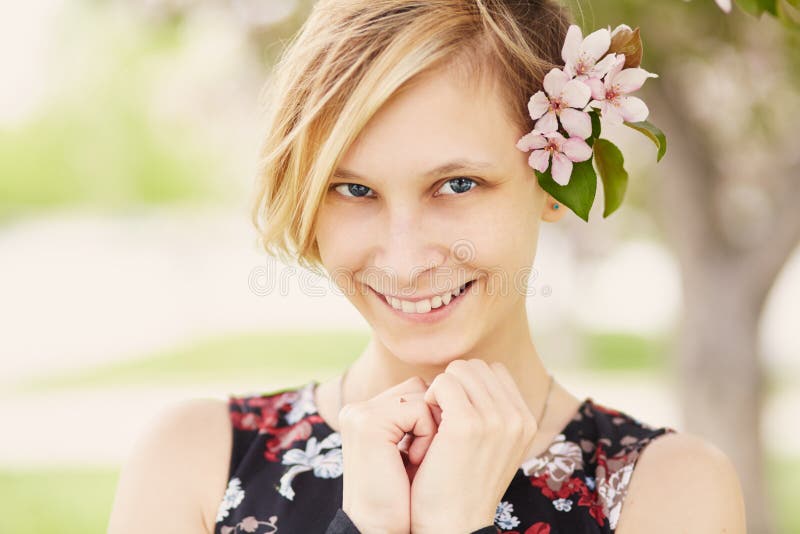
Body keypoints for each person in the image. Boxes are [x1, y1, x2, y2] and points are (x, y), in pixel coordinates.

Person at [108, 1, 747, 533]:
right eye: (353, 190)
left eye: (458, 184)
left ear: (555, 178)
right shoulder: (194, 464)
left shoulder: (668, 494)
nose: (407, 260)